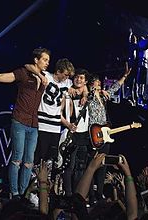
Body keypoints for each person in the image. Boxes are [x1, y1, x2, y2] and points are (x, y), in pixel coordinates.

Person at [0, 47, 50, 199]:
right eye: (44, 60)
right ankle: (15, 193)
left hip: (34, 124)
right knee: (17, 158)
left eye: (48, 61)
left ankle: (24, 192)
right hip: (19, 120)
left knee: (29, 161)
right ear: (36, 60)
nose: (47, 63)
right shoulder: (24, 73)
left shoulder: (45, 78)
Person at [87, 62, 131, 203]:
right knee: (93, 164)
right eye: (96, 83)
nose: (99, 85)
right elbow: (85, 97)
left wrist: (124, 76)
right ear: (91, 85)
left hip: (105, 134)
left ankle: (99, 193)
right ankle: (91, 195)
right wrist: (93, 92)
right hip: (94, 133)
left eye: (99, 83)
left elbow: (115, 88)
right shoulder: (89, 96)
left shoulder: (104, 97)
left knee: (103, 165)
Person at [26, 58, 75, 170]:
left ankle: (47, 183)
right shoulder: (46, 76)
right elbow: (28, 66)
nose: (67, 78)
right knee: (38, 157)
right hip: (42, 124)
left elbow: (83, 87)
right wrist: (40, 75)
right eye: (65, 74)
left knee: (51, 160)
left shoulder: (67, 83)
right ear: (58, 71)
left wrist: (84, 94)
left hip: (56, 126)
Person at [61, 68, 90, 196]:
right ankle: (68, 194)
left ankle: (78, 195)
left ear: (85, 81)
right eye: (77, 77)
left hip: (84, 135)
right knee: (69, 166)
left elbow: (87, 90)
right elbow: (59, 111)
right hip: (70, 133)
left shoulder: (87, 93)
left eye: (81, 78)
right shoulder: (68, 90)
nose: (78, 79)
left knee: (81, 167)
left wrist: (85, 94)